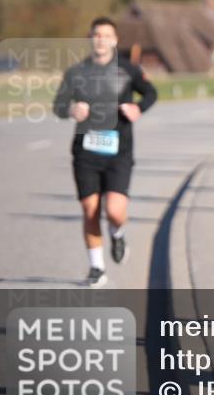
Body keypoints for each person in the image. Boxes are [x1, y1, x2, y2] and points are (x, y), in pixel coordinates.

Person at [52, 16, 157, 287]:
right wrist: (71, 110)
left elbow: (151, 93)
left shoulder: (129, 70)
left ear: (115, 40)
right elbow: (59, 104)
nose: (101, 39)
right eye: (96, 34)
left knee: (114, 210)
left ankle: (117, 232)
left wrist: (138, 108)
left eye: (106, 35)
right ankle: (97, 267)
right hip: (85, 151)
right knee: (90, 210)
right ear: (90, 38)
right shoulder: (76, 73)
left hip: (119, 150)